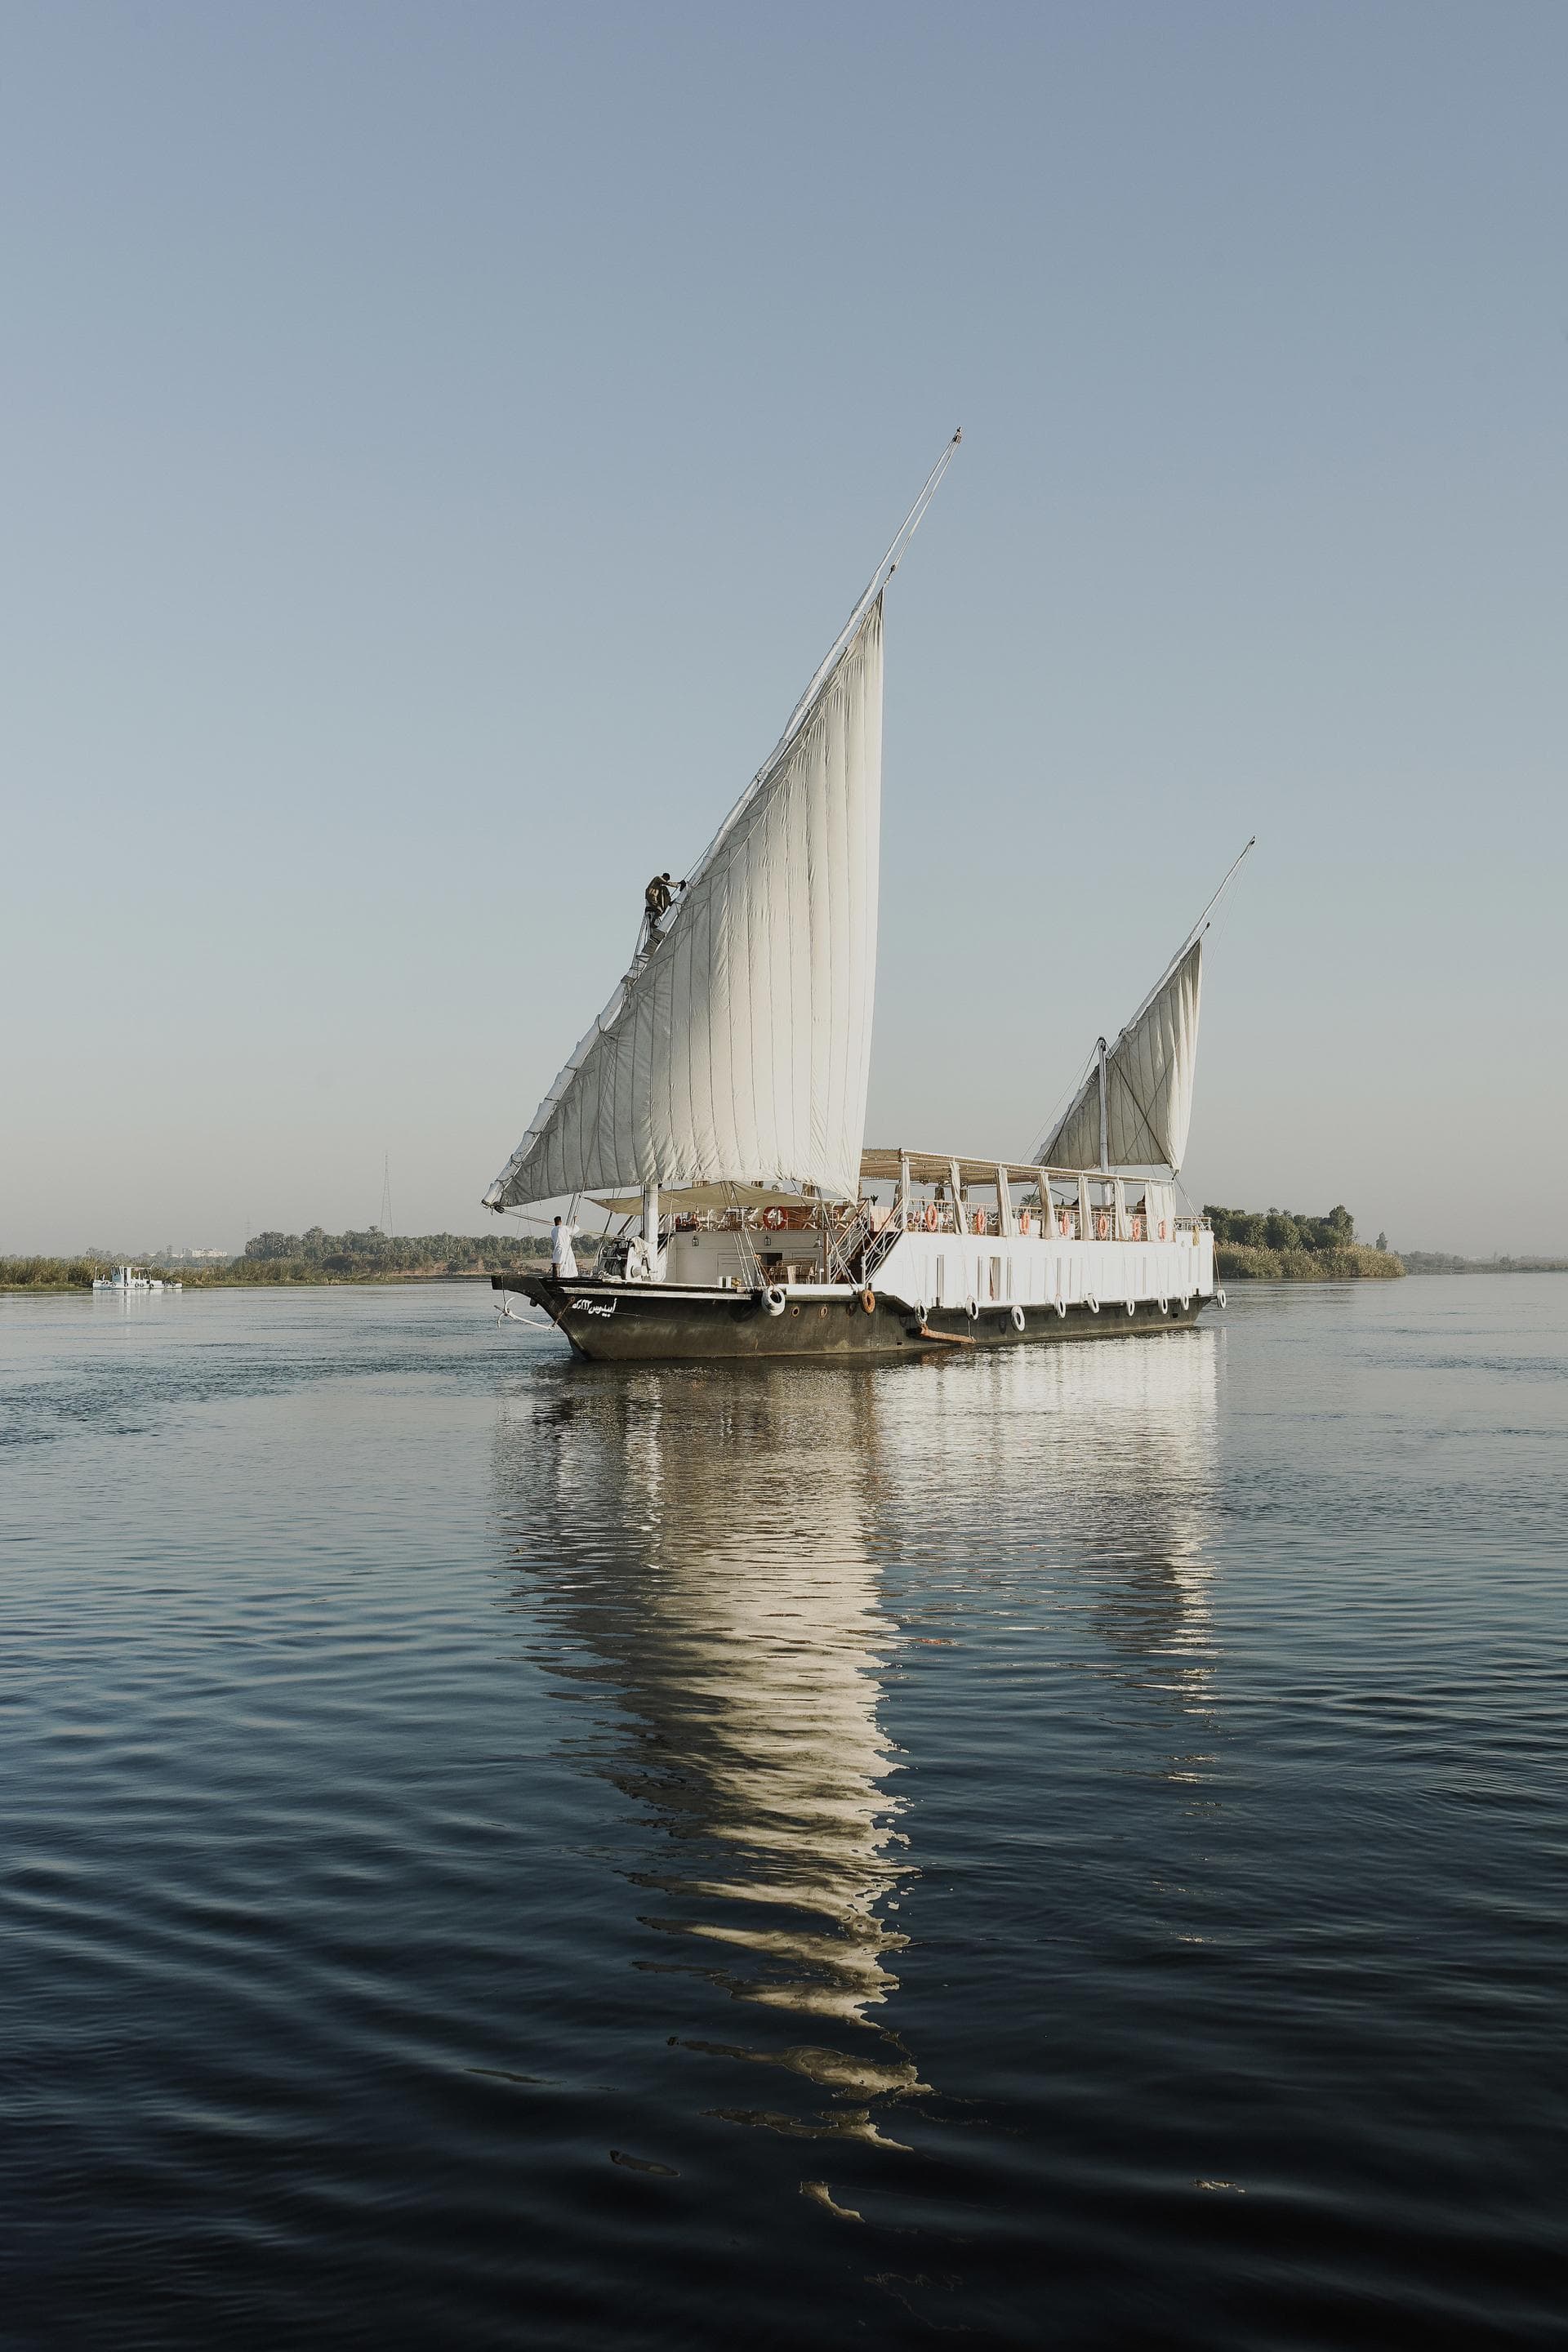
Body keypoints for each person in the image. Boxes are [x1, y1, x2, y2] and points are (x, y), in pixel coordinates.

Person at [644, 871, 685, 942]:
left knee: (664, 890)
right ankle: (652, 923)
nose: (666, 880)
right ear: (664, 877)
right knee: (659, 910)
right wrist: (679, 884)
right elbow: (667, 883)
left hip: (655, 897)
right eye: (666, 879)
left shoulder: (660, 887)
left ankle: (669, 903)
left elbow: (664, 892)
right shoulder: (658, 878)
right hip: (652, 897)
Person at [550, 1214, 578, 1281]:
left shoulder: (553, 1230)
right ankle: (565, 1278)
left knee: (558, 1264)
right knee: (567, 1264)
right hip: (565, 1249)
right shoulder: (564, 1228)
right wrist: (575, 1221)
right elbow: (573, 1231)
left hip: (557, 1250)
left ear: (555, 1222)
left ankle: (558, 1278)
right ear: (561, 1221)